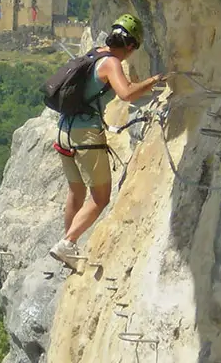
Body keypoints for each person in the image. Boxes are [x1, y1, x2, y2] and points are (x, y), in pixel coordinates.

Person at [49, 14, 166, 267]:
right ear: (131, 46)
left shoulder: (94, 54)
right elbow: (126, 94)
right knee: (100, 198)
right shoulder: (112, 63)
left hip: (64, 130)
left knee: (76, 191)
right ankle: (67, 243)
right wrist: (154, 81)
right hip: (85, 135)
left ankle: (68, 247)